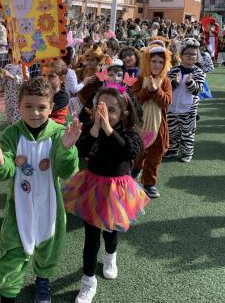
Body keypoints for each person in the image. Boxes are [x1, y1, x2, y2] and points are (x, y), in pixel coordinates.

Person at [0, 77, 80, 303]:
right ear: (19, 105)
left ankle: (43, 280)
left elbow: (66, 171)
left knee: (48, 246)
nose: (34, 113)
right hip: (19, 207)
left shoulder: (59, 133)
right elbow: (6, 171)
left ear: (51, 108)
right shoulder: (11, 134)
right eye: (28, 106)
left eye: (41, 107)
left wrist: (67, 148)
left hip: (50, 205)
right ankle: (8, 293)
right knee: (13, 250)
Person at [64, 87, 149, 303]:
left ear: (124, 112)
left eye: (111, 110)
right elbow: (82, 151)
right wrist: (94, 129)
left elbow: (130, 151)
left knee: (111, 233)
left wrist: (110, 129)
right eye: (100, 108)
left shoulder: (129, 132)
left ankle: (110, 256)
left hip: (118, 190)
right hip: (92, 187)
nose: (104, 114)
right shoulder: (92, 129)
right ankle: (88, 281)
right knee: (90, 239)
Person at [131, 41, 172, 198]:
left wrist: (157, 91)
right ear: (148, 62)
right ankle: (135, 167)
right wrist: (148, 90)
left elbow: (167, 102)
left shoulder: (166, 81)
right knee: (138, 150)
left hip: (158, 125)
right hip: (140, 123)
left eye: (161, 62)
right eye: (154, 61)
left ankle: (149, 183)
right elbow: (134, 100)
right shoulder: (140, 79)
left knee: (154, 156)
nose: (157, 65)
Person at [165, 38, 205, 163]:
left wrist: (191, 83)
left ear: (197, 56)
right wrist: (174, 83)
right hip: (172, 108)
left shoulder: (199, 72)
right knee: (172, 131)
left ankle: (187, 153)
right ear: (181, 56)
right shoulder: (174, 70)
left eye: (193, 54)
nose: (190, 56)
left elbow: (198, 90)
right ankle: (172, 150)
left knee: (187, 133)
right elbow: (167, 88)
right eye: (187, 53)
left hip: (188, 110)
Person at [41, 59, 70, 125]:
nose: (46, 79)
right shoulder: (43, 92)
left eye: (51, 76)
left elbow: (45, 110)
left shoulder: (63, 97)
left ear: (62, 78)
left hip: (56, 130)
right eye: (44, 75)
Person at [1, 49, 25, 125]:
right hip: (9, 96)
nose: (11, 57)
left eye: (12, 55)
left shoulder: (22, 67)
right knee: (10, 114)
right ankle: (11, 131)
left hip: (18, 96)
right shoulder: (7, 66)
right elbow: (2, 83)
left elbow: (22, 82)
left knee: (17, 116)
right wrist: (1, 77)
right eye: (10, 55)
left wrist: (11, 76)